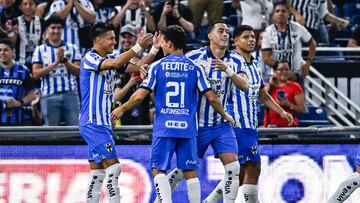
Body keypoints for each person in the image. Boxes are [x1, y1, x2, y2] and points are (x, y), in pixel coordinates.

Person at [112, 24, 236, 203]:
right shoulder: (195, 68)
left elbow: (139, 96)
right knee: (191, 173)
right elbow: (212, 97)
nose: (161, 45)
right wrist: (225, 114)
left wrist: (121, 109)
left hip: (165, 128)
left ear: (169, 43)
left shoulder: (157, 67)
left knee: (158, 169)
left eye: (162, 42)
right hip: (187, 129)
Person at [158, 22, 249, 203]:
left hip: (222, 124)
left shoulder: (236, 60)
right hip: (197, 125)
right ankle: (160, 200)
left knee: (234, 169)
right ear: (209, 36)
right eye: (221, 31)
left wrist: (227, 70)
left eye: (227, 32)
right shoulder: (194, 57)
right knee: (184, 171)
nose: (225, 35)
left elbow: (245, 85)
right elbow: (170, 64)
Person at [203, 25, 293, 203]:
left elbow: (262, 94)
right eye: (246, 37)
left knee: (241, 172)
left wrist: (281, 111)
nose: (251, 40)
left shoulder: (255, 65)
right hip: (237, 123)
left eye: (253, 37)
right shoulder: (232, 60)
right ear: (235, 41)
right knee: (253, 168)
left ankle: (209, 202)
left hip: (250, 125)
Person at [78, 22, 153, 203]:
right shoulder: (89, 58)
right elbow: (118, 62)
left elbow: (137, 66)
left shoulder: (110, 58)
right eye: (111, 38)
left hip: (103, 123)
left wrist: (155, 48)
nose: (114, 42)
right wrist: (138, 46)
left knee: (97, 173)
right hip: (93, 123)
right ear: (98, 39)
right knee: (114, 168)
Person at [32, 16, 81, 126]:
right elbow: (35, 74)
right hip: (49, 95)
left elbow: (79, 72)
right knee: (50, 133)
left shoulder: (73, 48)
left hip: (70, 94)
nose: (56, 31)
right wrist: (55, 64)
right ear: (46, 30)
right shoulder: (40, 49)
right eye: (53, 27)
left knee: (75, 131)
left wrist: (64, 61)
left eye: (59, 28)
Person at [261, 1, 316, 85]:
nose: (280, 13)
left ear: (289, 14)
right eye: (277, 11)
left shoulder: (298, 28)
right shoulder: (268, 32)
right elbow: (266, 58)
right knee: (275, 98)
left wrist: (308, 62)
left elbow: (312, 44)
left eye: (283, 11)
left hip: (296, 74)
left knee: (298, 98)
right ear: (274, 15)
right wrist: (285, 71)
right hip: (276, 76)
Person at [0, 38, 37, 125]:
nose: (2, 53)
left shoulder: (23, 70)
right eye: (0, 50)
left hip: (16, 119)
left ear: (13, 52)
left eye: (5, 50)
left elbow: (33, 93)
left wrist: (19, 102)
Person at [264, 61, 306, 127]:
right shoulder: (268, 86)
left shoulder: (295, 86)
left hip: (289, 127)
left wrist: (288, 105)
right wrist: (270, 83)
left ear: (290, 72)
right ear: (274, 71)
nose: (284, 72)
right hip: (270, 126)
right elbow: (261, 99)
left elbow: (302, 109)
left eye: (287, 69)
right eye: (281, 69)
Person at [8, 0, 43, 73]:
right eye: (25, 4)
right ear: (20, 7)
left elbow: (44, 41)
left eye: (31, 4)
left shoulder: (42, 21)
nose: (28, 6)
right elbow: (11, 43)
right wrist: (15, 34)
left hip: (39, 61)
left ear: (35, 6)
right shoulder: (14, 21)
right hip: (20, 60)